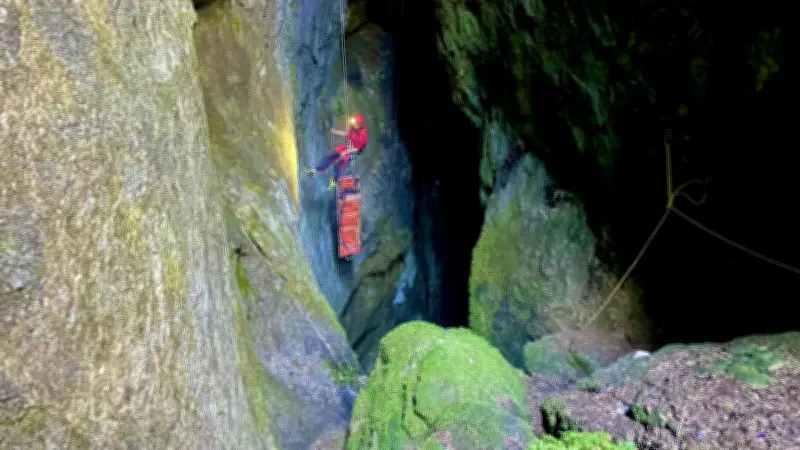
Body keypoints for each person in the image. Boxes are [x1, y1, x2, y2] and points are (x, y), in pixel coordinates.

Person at [305, 114, 368, 190]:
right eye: (354, 123)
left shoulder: (363, 135)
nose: (354, 125)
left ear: (360, 124)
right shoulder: (353, 127)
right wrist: (336, 132)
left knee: (338, 165)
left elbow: (356, 149)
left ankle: (333, 182)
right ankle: (316, 170)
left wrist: (346, 152)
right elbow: (347, 134)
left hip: (353, 152)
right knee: (330, 157)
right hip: (347, 147)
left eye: (356, 124)